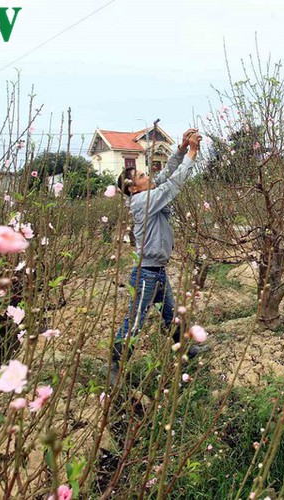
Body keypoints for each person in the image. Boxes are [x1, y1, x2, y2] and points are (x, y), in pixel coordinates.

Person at [109, 128, 202, 383]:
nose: (147, 174)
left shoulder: (148, 194)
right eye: (141, 175)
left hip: (157, 270)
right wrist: (192, 154)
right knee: (135, 320)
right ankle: (115, 363)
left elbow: (166, 174)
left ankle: (185, 348)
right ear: (133, 189)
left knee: (170, 314)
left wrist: (182, 149)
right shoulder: (143, 202)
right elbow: (173, 184)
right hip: (146, 274)